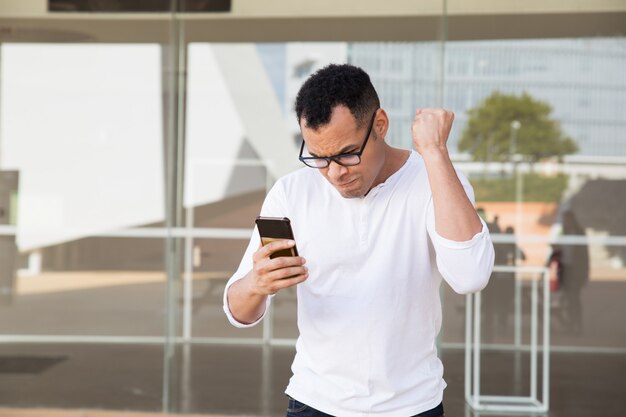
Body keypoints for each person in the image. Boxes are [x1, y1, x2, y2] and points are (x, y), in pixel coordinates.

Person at [223, 64, 495, 417]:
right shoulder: (292, 192)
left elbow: (470, 276)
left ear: (379, 125)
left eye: (347, 153)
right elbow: (238, 312)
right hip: (314, 402)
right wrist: (257, 284)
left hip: (413, 406)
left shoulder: (436, 180)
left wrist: (435, 152)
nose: (335, 173)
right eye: (319, 157)